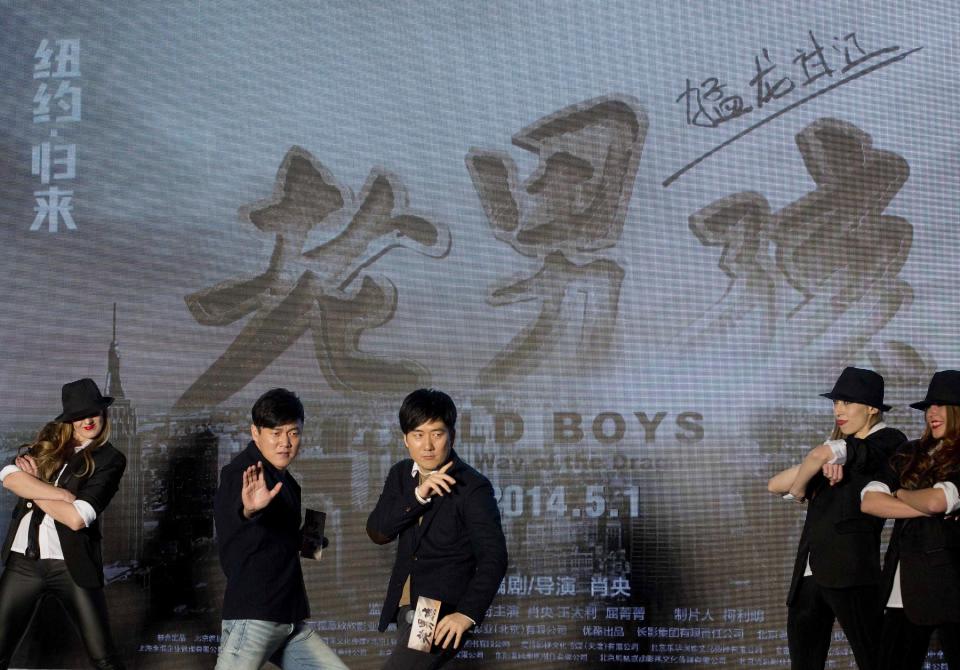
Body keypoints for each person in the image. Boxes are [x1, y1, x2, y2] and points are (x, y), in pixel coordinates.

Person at [767, 367, 904, 670]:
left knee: (875, 659)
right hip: (808, 573)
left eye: (847, 402)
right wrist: (818, 465)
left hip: (850, 569)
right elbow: (774, 484)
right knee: (804, 662)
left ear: (871, 408)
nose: (838, 410)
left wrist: (804, 485)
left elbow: (824, 455)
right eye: (836, 403)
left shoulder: (889, 439)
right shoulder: (836, 449)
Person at [367, 389, 508, 669]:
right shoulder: (400, 474)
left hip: (436, 612)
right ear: (405, 439)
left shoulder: (472, 487)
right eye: (418, 435)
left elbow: (495, 558)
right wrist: (418, 496)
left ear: (452, 436)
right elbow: (378, 532)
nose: (428, 445)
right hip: (405, 605)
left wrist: (466, 614)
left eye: (437, 433)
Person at [213, 388, 347, 670]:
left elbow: (267, 539)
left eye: (293, 433)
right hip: (255, 616)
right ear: (255, 432)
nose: (285, 442)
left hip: (287, 616)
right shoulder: (242, 473)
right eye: (275, 433)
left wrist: (304, 540)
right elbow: (235, 524)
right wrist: (249, 509)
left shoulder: (287, 481)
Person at [0, 378, 127, 669]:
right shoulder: (47, 448)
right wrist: (57, 492)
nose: (88, 420)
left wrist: (32, 487)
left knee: (103, 658)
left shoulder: (110, 458)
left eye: (94, 412)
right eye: (80, 415)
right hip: (23, 563)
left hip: (71, 566)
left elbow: (77, 517)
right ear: (69, 419)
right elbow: (8, 476)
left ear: (103, 414)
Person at [861, 370, 960, 669]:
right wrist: (923, 503)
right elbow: (869, 501)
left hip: (953, 585)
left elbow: (937, 499)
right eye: (929, 406)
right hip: (903, 589)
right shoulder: (908, 452)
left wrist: (900, 494)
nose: (932, 413)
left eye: (941, 405)